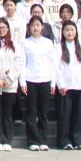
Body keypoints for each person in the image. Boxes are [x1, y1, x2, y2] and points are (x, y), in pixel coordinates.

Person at [20, 16, 55, 152]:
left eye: (38, 25)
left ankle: (43, 140)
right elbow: (23, 63)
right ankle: (33, 141)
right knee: (31, 112)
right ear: (29, 28)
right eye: (33, 25)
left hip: (45, 79)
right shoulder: (25, 43)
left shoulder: (48, 43)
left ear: (42, 27)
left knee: (43, 112)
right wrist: (22, 82)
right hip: (30, 80)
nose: (35, 27)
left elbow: (52, 63)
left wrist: (53, 81)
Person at [0, 17, 23, 152]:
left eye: (3, 27)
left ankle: (7, 140)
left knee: (7, 113)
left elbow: (19, 62)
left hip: (10, 83)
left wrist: (9, 78)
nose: (1, 30)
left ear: (8, 29)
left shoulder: (15, 44)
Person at [56, 20, 81, 150]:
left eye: (72, 30)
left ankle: (78, 140)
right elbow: (56, 68)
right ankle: (65, 141)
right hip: (65, 87)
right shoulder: (58, 47)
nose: (69, 33)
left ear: (76, 32)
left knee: (80, 115)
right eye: (67, 30)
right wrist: (60, 84)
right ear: (63, 32)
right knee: (65, 115)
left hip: (80, 86)